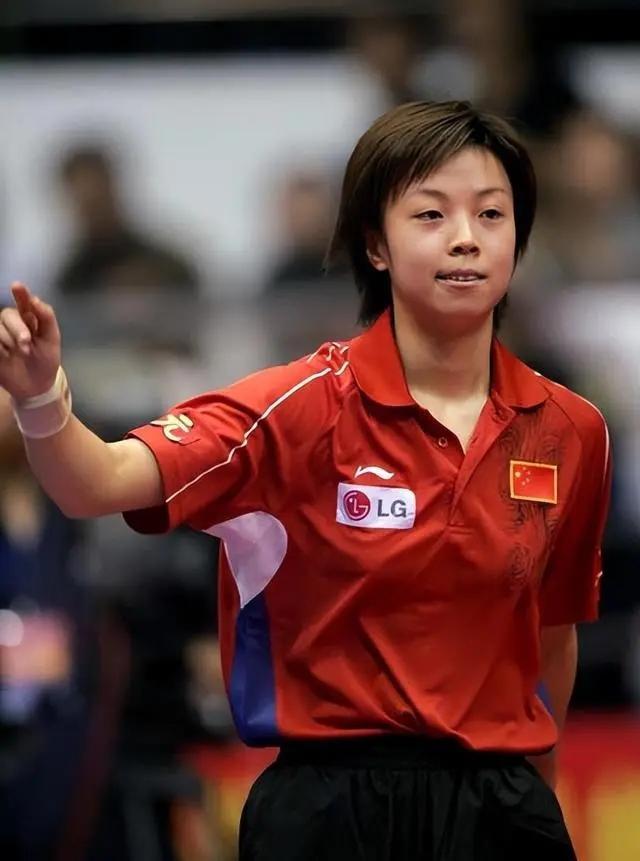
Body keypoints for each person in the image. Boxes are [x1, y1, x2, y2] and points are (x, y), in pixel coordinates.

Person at [0, 101, 611, 860]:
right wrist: (39, 398)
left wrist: (536, 798)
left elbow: (551, 638)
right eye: (431, 214)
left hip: (502, 807)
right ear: (375, 243)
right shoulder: (293, 408)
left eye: (492, 213)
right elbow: (94, 482)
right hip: (327, 812)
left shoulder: (571, 430)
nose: (466, 237)